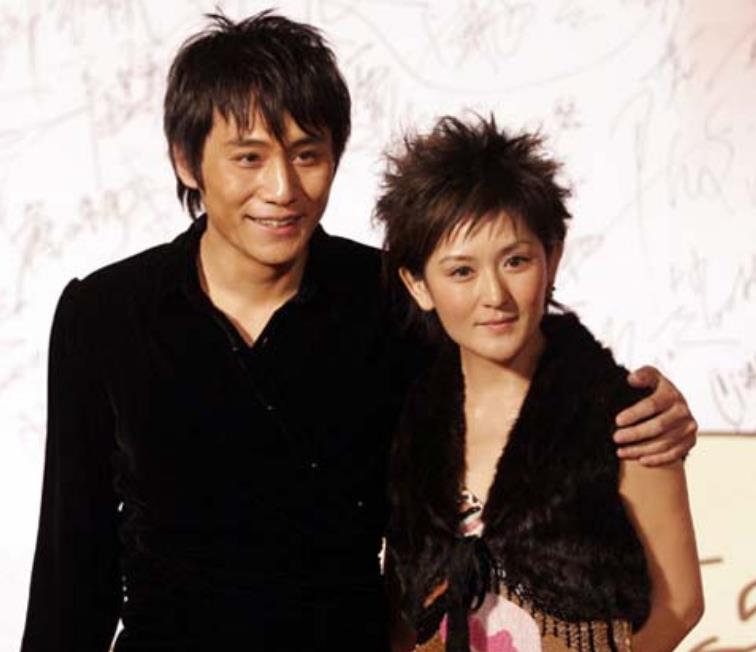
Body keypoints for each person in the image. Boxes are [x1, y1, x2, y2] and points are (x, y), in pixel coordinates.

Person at [21, 11, 697, 652]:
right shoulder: (105, 313)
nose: (282, 188)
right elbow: (71, 562)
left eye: (307, 154)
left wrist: (642, 404)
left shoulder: (392, 301)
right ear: (186, 160)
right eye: (249, 158)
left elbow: (520, 365)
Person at [376, 115, 704, 652]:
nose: (495, 295)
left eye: (516, 261)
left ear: (552, 256)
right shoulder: (409, 416)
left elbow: (680, 605)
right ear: (418, 284)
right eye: (461, 271)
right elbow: (402, 605)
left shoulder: (625, 414)